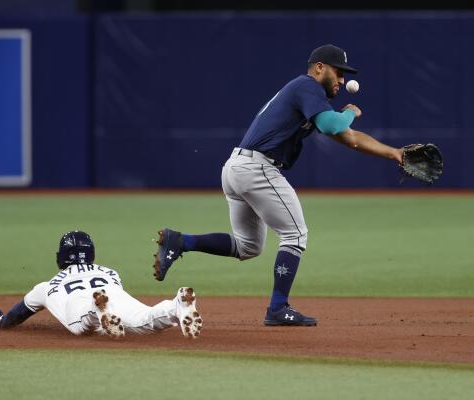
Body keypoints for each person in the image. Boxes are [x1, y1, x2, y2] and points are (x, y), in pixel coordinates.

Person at [153, 44, 404, 327]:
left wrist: (395, 153)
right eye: (339, 72)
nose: (343, 80)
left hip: (237, 167)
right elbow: (336, 126)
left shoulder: (311, 100)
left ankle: (181, 241)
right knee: (295, 235)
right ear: (319, 68)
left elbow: (350, 138)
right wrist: (349, 113)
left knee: (248, 247)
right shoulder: (307, 86)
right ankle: (277, 308)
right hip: (256, 168)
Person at [0, 230, 202, 338]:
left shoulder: (45, 287)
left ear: (62, 256)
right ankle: (176, 306)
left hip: (81, 301)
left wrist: (1, 321)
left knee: (81, 325)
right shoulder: (109, 272)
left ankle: (97, 310)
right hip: (110, 292)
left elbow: (16, 316)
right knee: (143, 319)